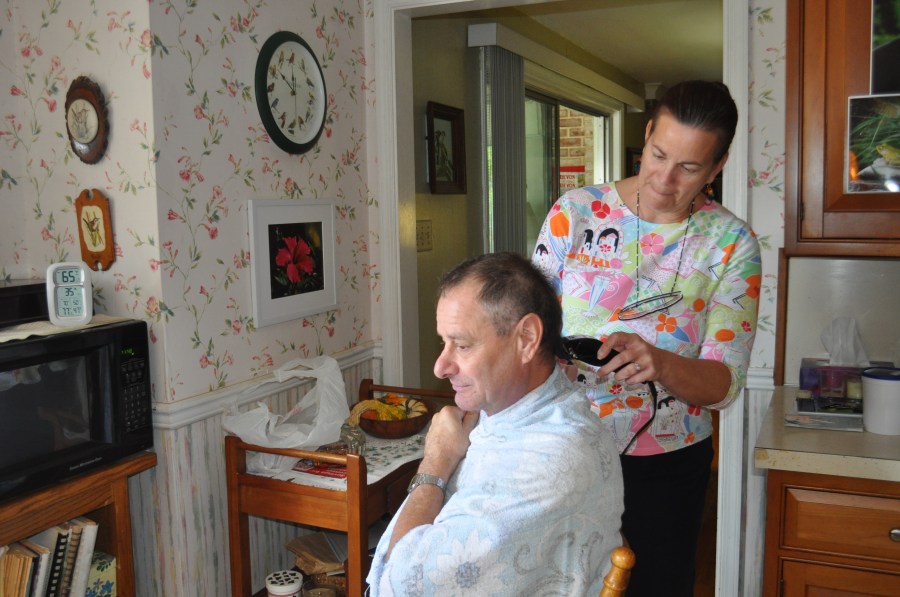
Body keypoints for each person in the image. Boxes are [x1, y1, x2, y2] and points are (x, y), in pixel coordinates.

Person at [532, 80, 761, 596]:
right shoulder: (575, 212)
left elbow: (724, 385)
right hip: (564, 448)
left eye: (690, 167)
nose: (664, 179)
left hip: (666, 469)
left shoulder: (732, 243)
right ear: (649, 132)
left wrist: (661, 362)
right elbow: (529, 327)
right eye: (659, 155)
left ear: (717, 167)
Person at [367, 252, 624, 596]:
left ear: (527, 339)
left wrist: (435, 464)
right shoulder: (526, 406)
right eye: (444, 342)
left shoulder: (546, 465)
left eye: (462, 345)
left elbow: (398, 586)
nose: (440, 367)